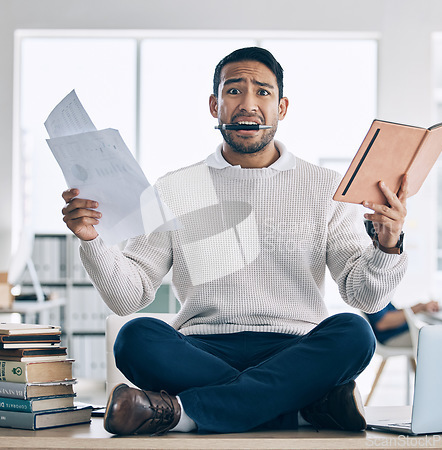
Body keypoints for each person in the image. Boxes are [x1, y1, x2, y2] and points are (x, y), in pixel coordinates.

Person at [61, 47, 408, 435]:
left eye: (262, 92)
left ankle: (182, 413)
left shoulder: (327, 187)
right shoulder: (174, 188)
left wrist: (387, 246)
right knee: (134, 337)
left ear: (282, 107)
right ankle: (301, 409)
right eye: (233, 91)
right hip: (201, 348)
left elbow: (365, 299)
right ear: (214, 105)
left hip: (294, 349)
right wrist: (92, 241)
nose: (248, 104)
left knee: (355, 333)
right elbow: (130, 296)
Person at [365, 300, 439, 347]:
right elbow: (382, 323)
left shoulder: (380, 293)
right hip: (391, 337)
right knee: (437, 339)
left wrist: (420, 306)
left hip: (400, 331)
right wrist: (418, 308)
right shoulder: (371, 295)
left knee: (435, 333)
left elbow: (394, 313)